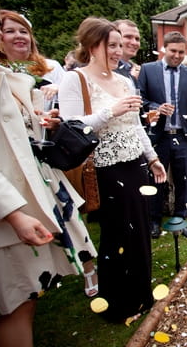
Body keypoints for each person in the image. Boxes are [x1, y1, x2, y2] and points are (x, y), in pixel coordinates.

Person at [0, 0, 97, 346]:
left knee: (8, 307)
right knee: (11, 306)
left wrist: (39, 119)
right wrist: (14, 213)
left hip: (27, 188)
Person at [59, 17, 166, 322]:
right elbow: (71, 126)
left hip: (135, 165)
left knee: (140, 229)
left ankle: (141, 295)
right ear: (93, 46)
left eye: (121, 45)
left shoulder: (124, 81)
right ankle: (118, 303)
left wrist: (152, 157)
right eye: (113, 45)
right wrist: (110, 111)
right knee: (117, 234)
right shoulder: (75, 79)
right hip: (105, 168)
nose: (120, 51)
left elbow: (136, 126)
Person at [138, 31, 187, 240]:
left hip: (183, 138)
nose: (177, 56)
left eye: (181, 52)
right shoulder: (148, 70)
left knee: (183, 181)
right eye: (173, 51)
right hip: (158, 137)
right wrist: (157, 107)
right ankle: (154, 221)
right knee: (157, 179)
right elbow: (140, 100)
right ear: (164, 49)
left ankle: (181, 220)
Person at [113, 19, 141, 85]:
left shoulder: (137, 69)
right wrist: (132, 78)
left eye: (137, 39)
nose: (134, 42)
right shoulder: (106, 68)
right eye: (128, 37)